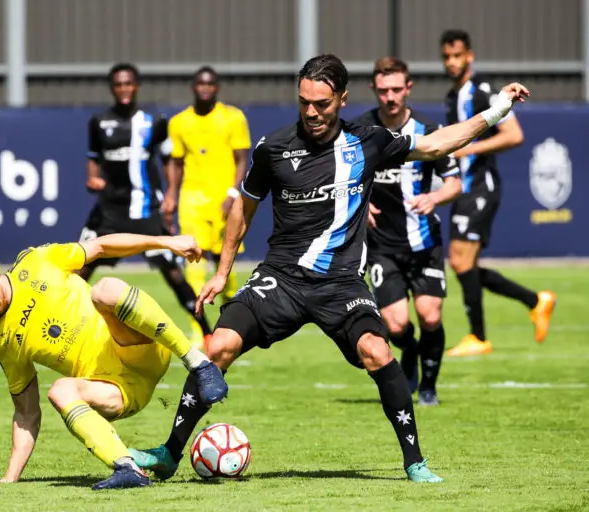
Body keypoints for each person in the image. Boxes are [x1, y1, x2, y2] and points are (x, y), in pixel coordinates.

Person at [130, 53, 531, 483]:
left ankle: (415, 462)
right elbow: (243, 208)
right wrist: (223, 272)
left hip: (340, 283)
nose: (312, 112)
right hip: (280, 278)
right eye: (304, 102)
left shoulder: (369, 140)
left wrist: (496, 111)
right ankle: (170, 453)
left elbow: (437, 145)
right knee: (218, 348)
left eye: (321, 103)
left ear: (341, 98)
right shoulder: (274, 148)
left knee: (377, 352)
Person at [0, 233, 228, 490]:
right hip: (119, 391)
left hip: (139, 347)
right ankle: (127, 467)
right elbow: (26, 414)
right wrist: (10, 477)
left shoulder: (37, 261)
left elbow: (100, 246)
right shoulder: (3, 343)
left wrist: (166, 242)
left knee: (105, 290)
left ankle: (199, 364)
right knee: (60, 390)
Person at [439, 29, 556, 356]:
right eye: (447, 56)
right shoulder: (453, 96)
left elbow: (513, 134)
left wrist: (469, 148)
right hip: (465, 187)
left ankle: (478, 337)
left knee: (460, 262)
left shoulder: (483, 90)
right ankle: (536, 301)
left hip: (480, 186)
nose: (451, 62)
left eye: (457, 55)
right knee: (465, 265)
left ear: (469, 57)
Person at [354, 57, 461, 406]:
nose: (390, 97)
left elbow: (455, 184)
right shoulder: (359, 131)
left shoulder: (430, 132)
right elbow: (344, 178)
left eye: (396, 90)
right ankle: (411, 351)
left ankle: (429, 385)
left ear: (408, 89)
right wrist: (360, 201)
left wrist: (435, 196)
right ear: (374, 90)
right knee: (396, 327)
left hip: (424, 241)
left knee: (431, 315)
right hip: (382, 245)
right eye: (383, 90)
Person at [80, 62, 213, 342]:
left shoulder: (153, 122)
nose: (124, 89)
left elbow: (169, 162)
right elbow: (93, 162)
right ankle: (59, 323)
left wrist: (172, 195)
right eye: (118, 84)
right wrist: (92, 180)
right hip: (110, 210)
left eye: (128, 83)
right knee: (82, 266)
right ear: (112, 88)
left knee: (172, 272)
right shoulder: (99, 122)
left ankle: (207, 332)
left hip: (145, 208)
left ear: (136, 86)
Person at [163, 66, 252, 342]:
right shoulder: (179, 122)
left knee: (225, 264)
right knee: (194, 263)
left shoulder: (232, 117)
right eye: (200, 84)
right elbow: (176, 162)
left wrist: (232, 193)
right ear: (193, 87)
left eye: (210, 83)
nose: (205, 88)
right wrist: (172, 195)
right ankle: (199, 330)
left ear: (217, 87)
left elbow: (242, 158)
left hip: (224, 201)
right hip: (192, 201)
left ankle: (233, 314)